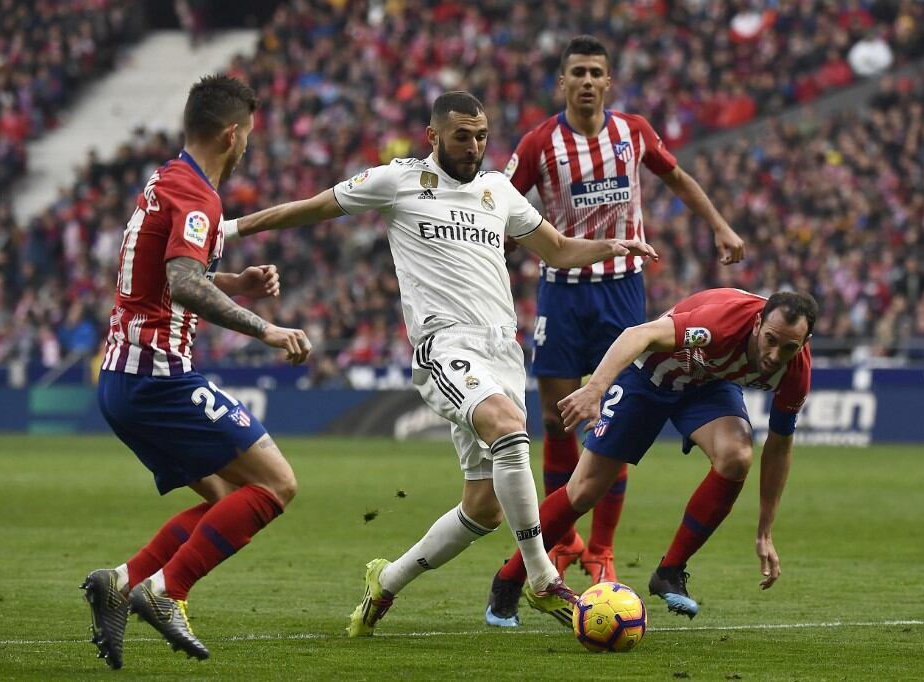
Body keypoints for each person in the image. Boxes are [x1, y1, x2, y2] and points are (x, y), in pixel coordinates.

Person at [223, 90, 658, 635]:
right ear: (433, 136)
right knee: (509, 427)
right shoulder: (396, 180)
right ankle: (543, 577)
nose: (474, 146)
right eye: (462, 136)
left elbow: (558, 249)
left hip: (502, 351)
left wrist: (612, 248)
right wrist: (230, 230)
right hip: (444, 346)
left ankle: (385, 582)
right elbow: (309, 209)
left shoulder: (498, 190)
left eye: (481, 135)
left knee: (482, 509)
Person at [81, 74, 312, 669]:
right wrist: (266, 330)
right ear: (231, 134)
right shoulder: (198, 196)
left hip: (125, 376)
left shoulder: (166, 178)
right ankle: (166, 591)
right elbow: (182, 283)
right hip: (156, 377)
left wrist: (233, 283)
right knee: (276, 484)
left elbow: (164, 275)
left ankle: (123, 580)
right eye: (248, 139)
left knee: (231, 499)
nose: (247, 150)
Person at [502, 35, 745, 593]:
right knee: (560, 419)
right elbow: (502, 211)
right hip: (562, 293)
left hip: (622, 295)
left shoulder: (632, 132)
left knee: (619, 420)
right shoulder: (539, 143)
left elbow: (678, 178)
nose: (587, 81)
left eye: (596, 73)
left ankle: (603, 549)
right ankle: (562, 542)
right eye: (577, 73)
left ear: (609, 82)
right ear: (561, 82)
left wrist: (720, 225)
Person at [486, 288, 816, 624]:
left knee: (737, 455)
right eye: (771, 340)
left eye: (789, 347)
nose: (775, 355)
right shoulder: (719, 325)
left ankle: (670, 571)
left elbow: (779, 446)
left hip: (707, 385)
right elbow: (639, 334)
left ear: (805, 342)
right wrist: (595, 388)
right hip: (649, 377)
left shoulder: (796, 372)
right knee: (584, 490)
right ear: (758, 323)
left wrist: (764, 531)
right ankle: (509, 580)